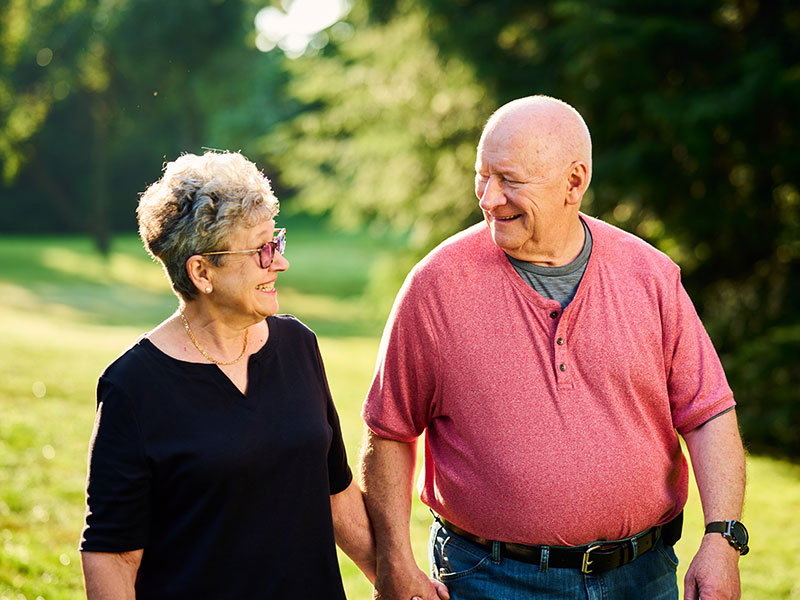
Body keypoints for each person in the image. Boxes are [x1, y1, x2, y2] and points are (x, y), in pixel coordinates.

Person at [359, 96, 747, 600]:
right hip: (489, 580)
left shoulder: (649, 275)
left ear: (574, 182)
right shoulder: (434, 286)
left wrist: (722, 540)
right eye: (482, 176)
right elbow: (389, 432)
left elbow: (708, 413)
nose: (489, 198)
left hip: (644, 577)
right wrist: (393, 562)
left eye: (510, 180)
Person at [80, 151, 376, 599]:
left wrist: (394, 578)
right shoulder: (133, 386)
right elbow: (113, 554)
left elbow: (335, 490)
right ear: (202, 272)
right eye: (260, 250)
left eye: (275, 241)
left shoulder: (297, 345)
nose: (279, 262)